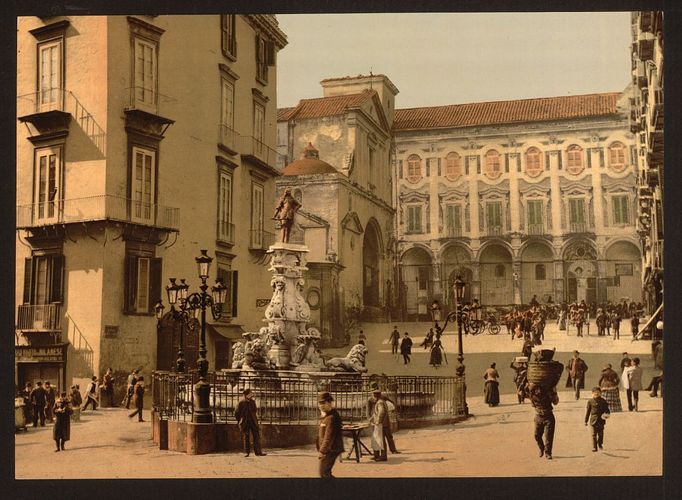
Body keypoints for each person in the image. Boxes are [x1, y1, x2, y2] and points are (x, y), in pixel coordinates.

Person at [316, 391, 344, 478]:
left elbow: (329, 436)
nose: (321, 406)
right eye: (319, 403)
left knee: (324, 473)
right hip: (330, 448)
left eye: (324, 403)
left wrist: (322, 451)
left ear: (330, 403)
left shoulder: (331, 417)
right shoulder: (327, 416)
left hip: (331, 449)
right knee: (325, 473)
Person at [528, 382, 559, 460]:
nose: (538, 391)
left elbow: (555, 402)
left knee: (548, 437)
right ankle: (542, 448)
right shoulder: (533, 395)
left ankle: (548, 453)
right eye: (536, 389)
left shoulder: (549, 394)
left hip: (549, 417)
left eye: (539, 389)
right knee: (537, 435)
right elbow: (532, 404)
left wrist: (554, 393)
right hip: (538, 417)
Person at [234, 388, 266, 457]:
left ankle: (258, 452)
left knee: (256, 436)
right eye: (250, 393)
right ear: (246, 395)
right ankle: (247, 452)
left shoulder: (252, 402)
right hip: (245, 422)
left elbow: (255, 411)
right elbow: (236, 413)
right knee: (246, 437)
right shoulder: (241, 403)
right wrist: (240, 420)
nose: (251, 394)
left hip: (253, 421)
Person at [368, 389, 400, 455]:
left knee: (385, 437)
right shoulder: (371, 400)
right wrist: (371, 419)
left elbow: (391, 403)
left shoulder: (381, 399)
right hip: (378, 420)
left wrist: (392, 408)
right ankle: (379, 454)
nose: (376, 395)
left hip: (381, 421)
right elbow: (368, 411)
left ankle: (390, 451)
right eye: (375, 393)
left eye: (377, 393)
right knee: (379, 438)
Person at [584, 387, 610, 452]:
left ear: (600, 393)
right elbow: (588, 412)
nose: (596, 394)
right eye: (595, 393)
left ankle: (600, 443)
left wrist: (606, 415)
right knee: (593, 434)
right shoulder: (590, 401)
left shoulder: (603, 401)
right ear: (592, 393)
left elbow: (607, 410)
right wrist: (585, 421)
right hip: (593, 421)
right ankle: (594, 447)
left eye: (598, 392)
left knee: (600, 434)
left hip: (601, 420)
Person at [369, 389, 388, 462]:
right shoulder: (380, 401)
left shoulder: (380, 402)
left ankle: (383, 456)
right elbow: (376, 413)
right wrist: (371, 419)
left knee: (381, 440)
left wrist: (378, 421)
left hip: (380, 424)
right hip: (379, 423)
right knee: (377, 439)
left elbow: (382, 412)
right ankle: (377, 455)